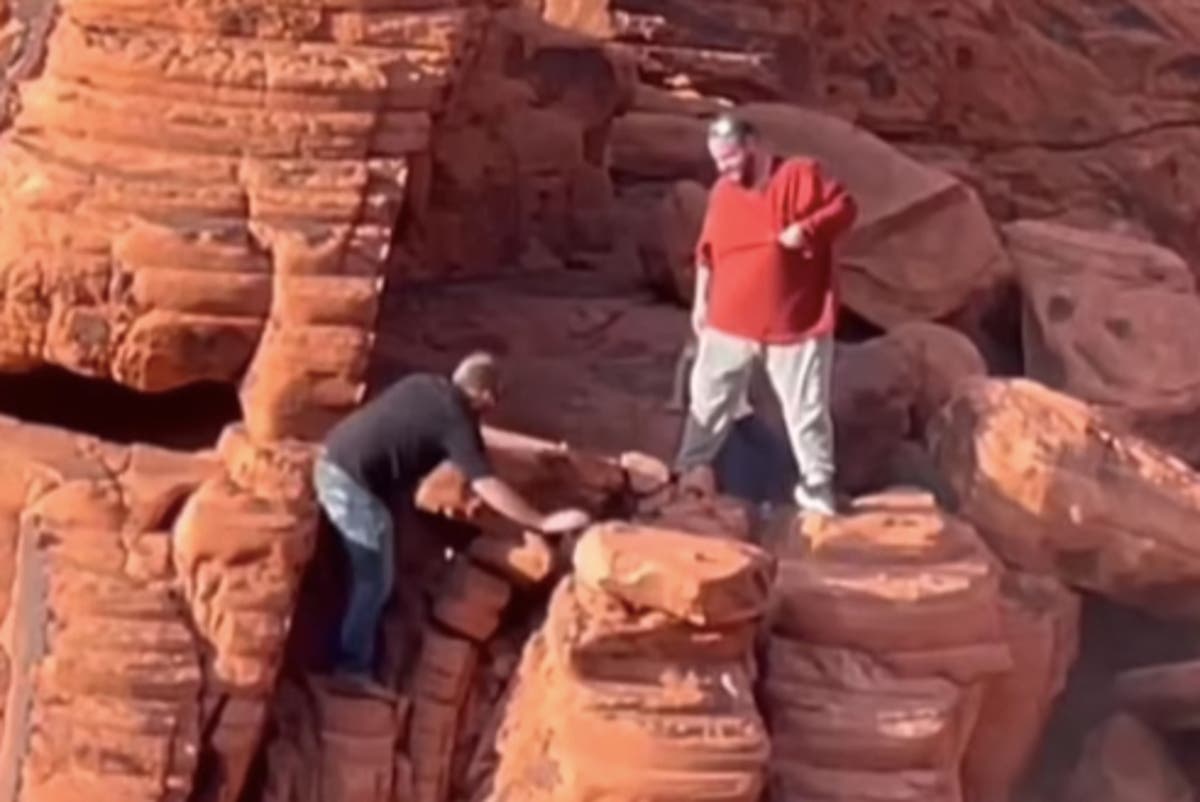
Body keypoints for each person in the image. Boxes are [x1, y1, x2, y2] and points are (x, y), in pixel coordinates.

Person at [312, 352, 591, 684]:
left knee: (381, 557)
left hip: (331, 457)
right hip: (350, 486)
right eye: (494, 400)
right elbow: (486, 483)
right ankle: (350, 669)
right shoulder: (455, 418)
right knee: (375, 580)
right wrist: (540, 521)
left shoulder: (424, 384)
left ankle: (348, 641)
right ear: (485, 397)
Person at [677, 112, 858, 515]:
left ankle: (817, 482)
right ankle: (687, 471)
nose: (723, 168)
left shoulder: (798, 175)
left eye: (729, 158)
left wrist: (807, 229)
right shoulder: (722, 193)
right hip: (728, 320)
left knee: (805, 405)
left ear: (753, 146)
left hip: (793, 321)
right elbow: (708, 252)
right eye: (717, 161)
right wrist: (700, 303)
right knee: (707, 398)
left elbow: (844, 207)